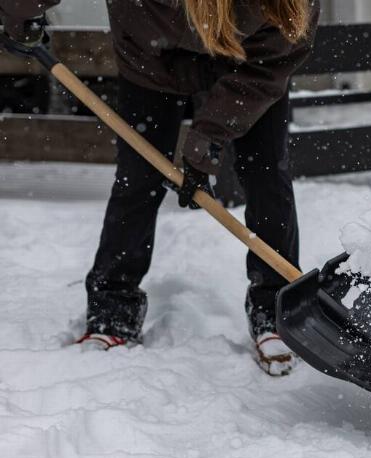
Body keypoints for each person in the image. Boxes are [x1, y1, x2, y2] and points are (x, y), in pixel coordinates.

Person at [0, 0, 320, 376]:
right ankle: (113, 310)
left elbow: (282, 52)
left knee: (267, 174)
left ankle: (276, 309)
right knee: (137, 179)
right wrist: (19, 10)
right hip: (152, 60)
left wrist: (209, 139)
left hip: (251, 66)